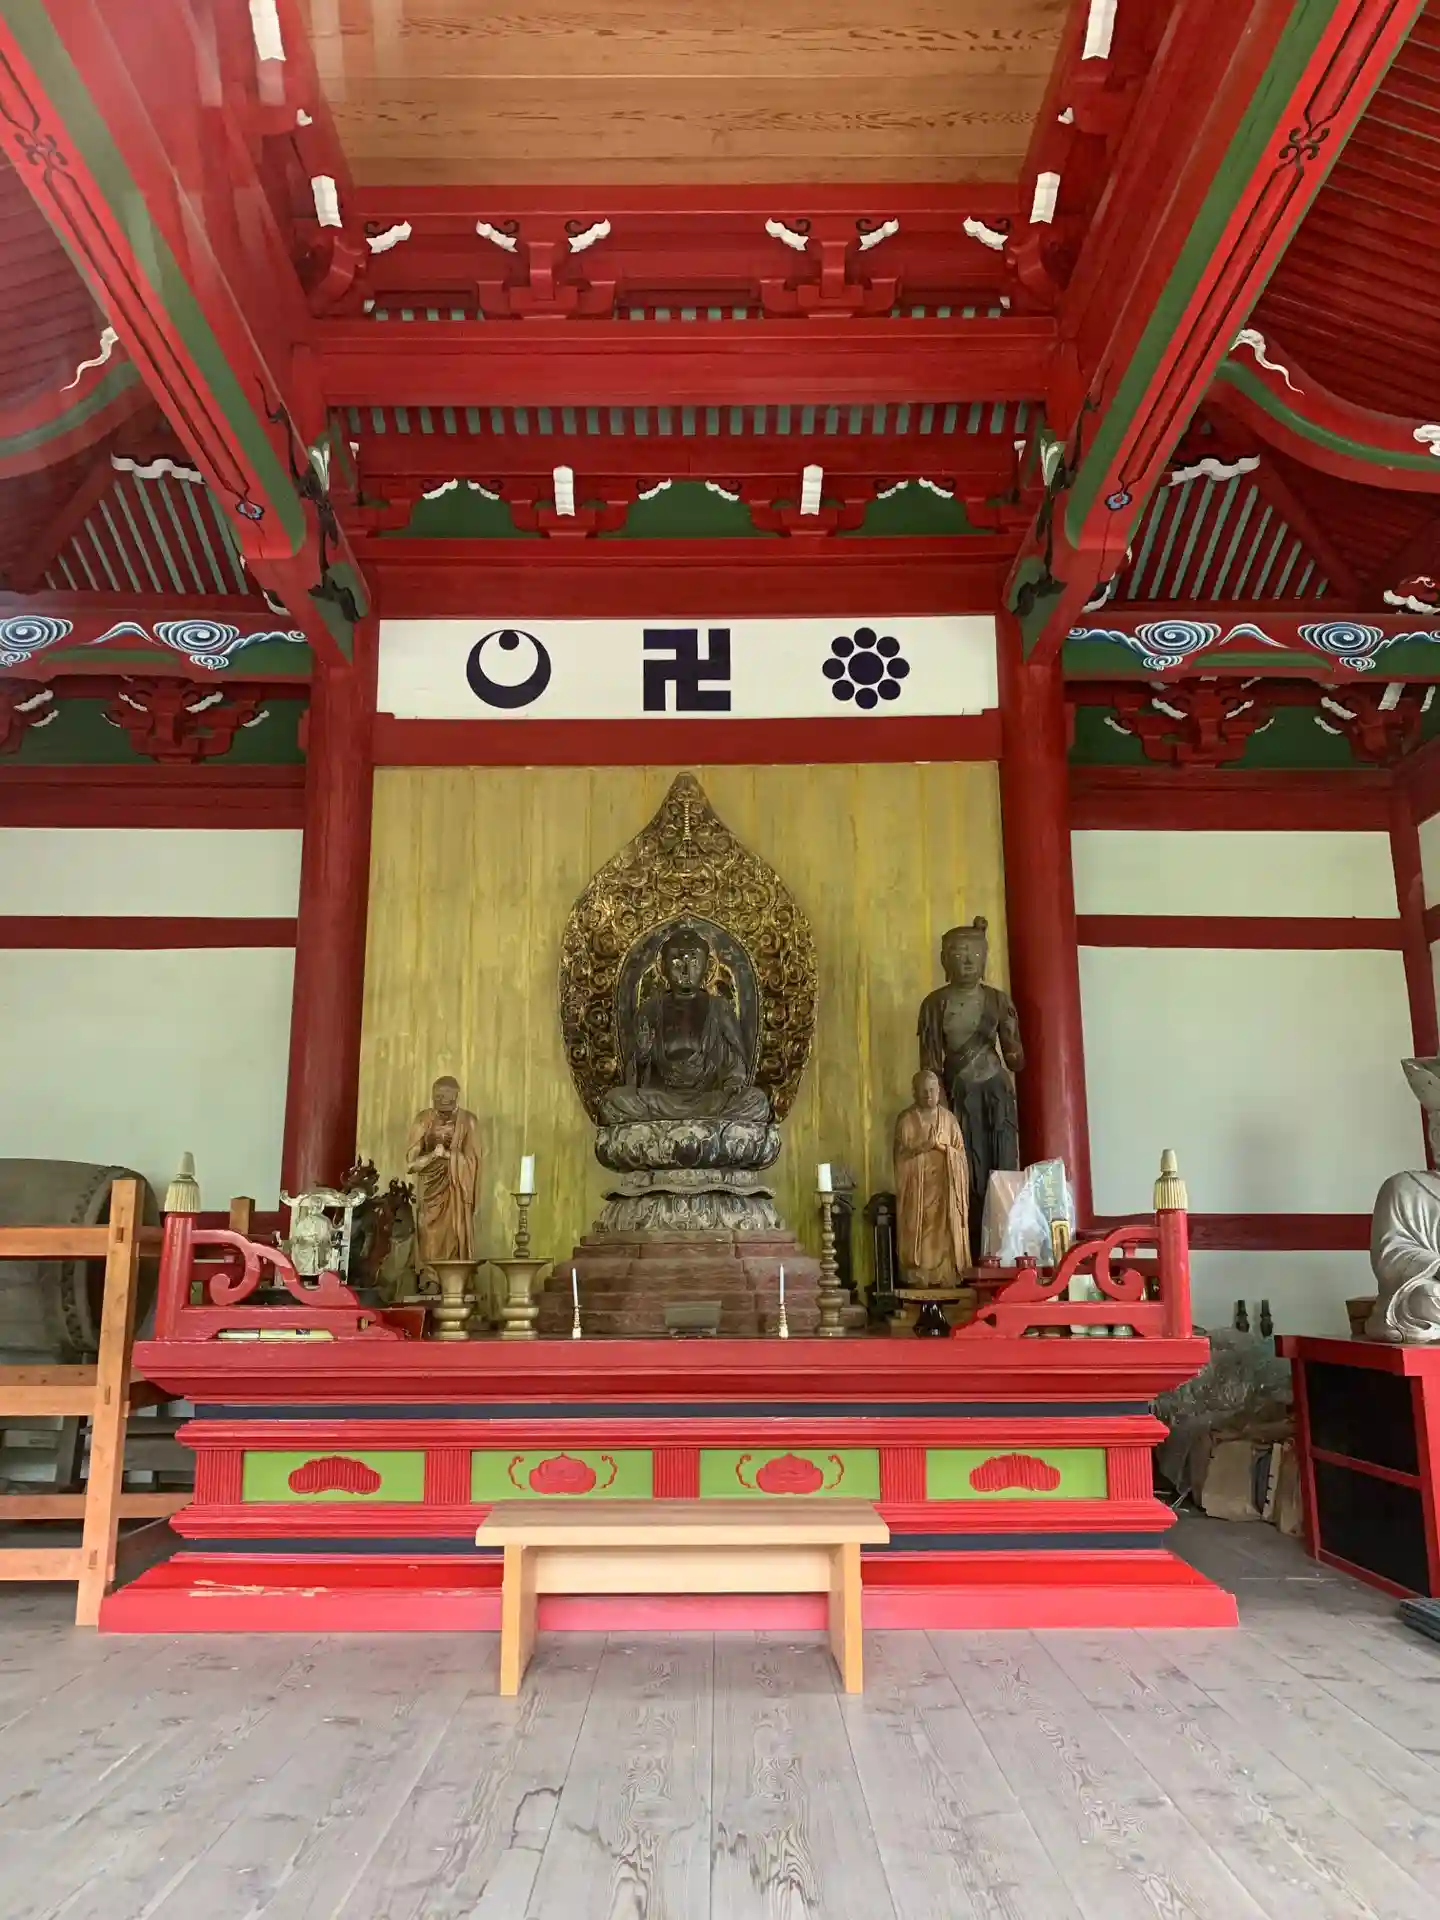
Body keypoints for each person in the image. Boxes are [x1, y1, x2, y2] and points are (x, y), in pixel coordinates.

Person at [917, 917, 1023, 1256]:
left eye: (975, 953)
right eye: (958, 953)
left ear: (985, 957)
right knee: (966, 1172)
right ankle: (971, 1248)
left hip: (996, 1092)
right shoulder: (935, 1004)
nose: (967, 961)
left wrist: (1013, 1040)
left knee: (1003, 1168)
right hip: (958, 1094)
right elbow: (930, 1064)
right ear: (944, 960)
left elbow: (1015, 1058)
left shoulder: (997, 1001)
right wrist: (939, 1108)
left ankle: (1007, 1246)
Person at [600, 922, 769, 1123]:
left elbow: (734, 1063)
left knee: (756, 1101)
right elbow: (635, 1076)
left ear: (707, 967)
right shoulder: (650, 1010)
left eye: (695, 963)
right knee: (614, 1101)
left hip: (709, 1100)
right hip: (662, 1099)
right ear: (663, 967)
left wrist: (733, 1084)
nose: (686, 971)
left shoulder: (719, 1008)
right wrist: (643, 1054)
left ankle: (686, 1122)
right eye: (677, 963)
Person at [894, 1069, 970, 1285]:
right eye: (923, 1091)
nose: (928, 1095)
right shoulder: (907, 1121)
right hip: (917, 1192)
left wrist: (943, 1148)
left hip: (945, 1189)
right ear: (914, 1093)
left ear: (939, 1091)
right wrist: (923, 1147)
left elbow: (961, 1158)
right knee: (919, 1232)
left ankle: (946, 1273)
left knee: (945, 1229)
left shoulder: (949, 1120)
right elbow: (900, 1159)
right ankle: (919, 1274)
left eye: (932, 1090)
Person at [404, 1075, 480, 1268]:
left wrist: (447, 1155)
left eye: (446, 1096)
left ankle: (453, 1278)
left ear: (456, 1096)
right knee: (427, 1233)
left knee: (454, 1232)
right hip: (430, 1189)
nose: (441, 1100)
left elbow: (473, 1161)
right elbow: (411, 1164)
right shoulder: (424, 1119)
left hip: (455, 1190)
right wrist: (433, 1156)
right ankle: (429, 1277)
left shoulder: (468, 1121)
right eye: (437, 1096)